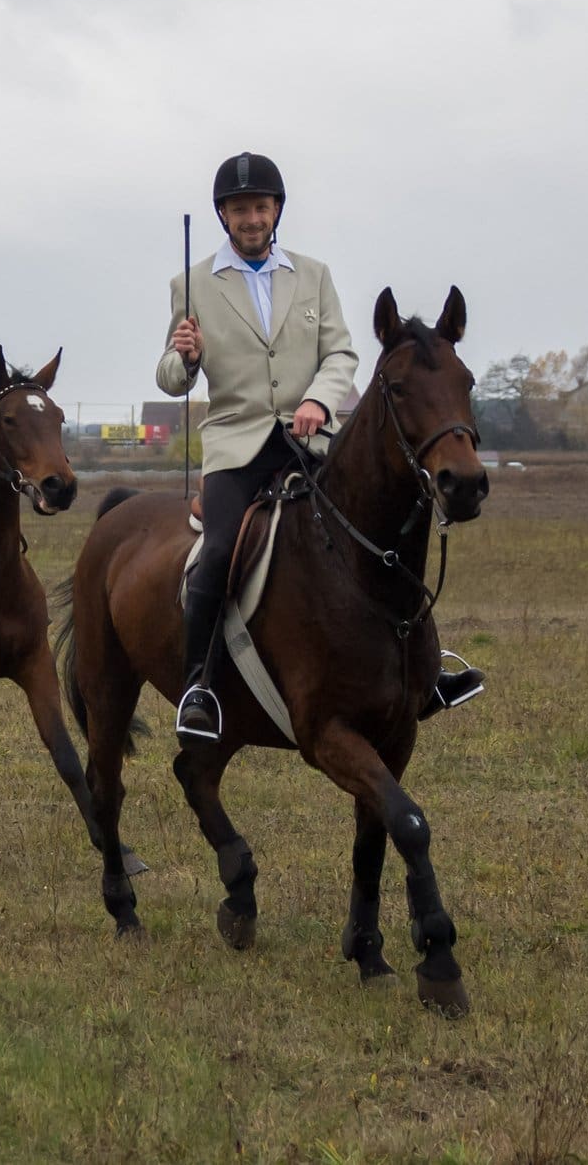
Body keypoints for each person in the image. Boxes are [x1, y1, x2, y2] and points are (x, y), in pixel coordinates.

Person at [156, 152, 484, 744]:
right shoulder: (192, 284)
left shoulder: (314, 276)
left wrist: (318, 400)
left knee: (394, 530)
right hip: (238, 447)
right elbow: (170, 379)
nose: (251, 218)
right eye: (239, 209)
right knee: (219, 552)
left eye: (260, 207)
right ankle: (199, 686)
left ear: (276, 210)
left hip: (311, 438)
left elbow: (341, 354)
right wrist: (186, 357)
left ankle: (426, 671)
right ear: (223, 216)